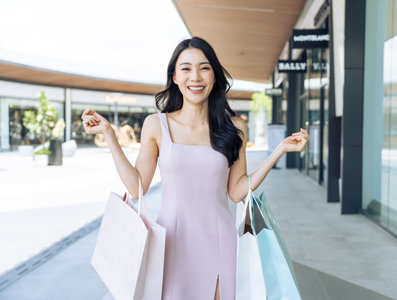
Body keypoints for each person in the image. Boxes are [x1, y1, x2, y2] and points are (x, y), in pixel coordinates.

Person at [82, 37, 310, 300]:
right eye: (186, 68)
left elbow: (237, 192)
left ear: (214, 76)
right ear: (175, 77)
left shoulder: (234, 128)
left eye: (204, 67)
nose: (196, 77)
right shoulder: (156, 125)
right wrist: (110, 135)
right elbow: (137, 187)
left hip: (220, 240)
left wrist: (278, 150)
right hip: (171, 242)